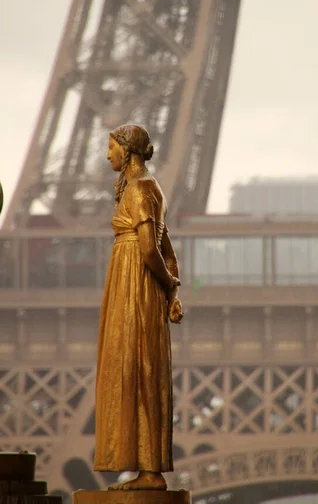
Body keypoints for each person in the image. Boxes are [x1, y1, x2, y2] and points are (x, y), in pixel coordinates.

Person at [94, 124, 183, 490]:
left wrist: (170, 287)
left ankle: (150, 473)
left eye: (112, 147)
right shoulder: (142, 188)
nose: (107, 154)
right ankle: (146, 469)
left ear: (128, 151)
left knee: (139, 365)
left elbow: (150, 249)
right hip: (134, 282)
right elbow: (167, 249)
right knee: (136, 367)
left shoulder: (142, 188)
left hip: (136, 285)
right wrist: (173, 288)